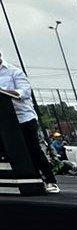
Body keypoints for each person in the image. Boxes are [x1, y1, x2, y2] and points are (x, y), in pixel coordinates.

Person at [0, 51, 58, 193]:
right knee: (7, 151)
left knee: (33, 149)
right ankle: (26, 179)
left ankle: (50, 181)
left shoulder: (14, 72)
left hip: (24, 118)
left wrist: (3, 91)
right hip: (5, 121)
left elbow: (24, 92)